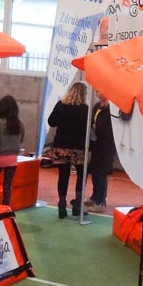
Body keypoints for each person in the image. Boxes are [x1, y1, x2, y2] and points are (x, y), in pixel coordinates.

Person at [47, 81, 88, 219]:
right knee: (81, 175)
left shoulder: (60, 105)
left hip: (62, 145)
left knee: (63, 176)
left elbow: (51, 122)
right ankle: (77, 206)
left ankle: (62, 205)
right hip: (79, 147)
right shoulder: (85, 109)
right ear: (84, 94)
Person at [0, 95, 25, 207]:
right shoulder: (20, 122)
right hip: (13, 158)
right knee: (7, 185)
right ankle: (6, 207)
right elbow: (21, 140)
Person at [86, 93, 114, 213]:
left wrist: (97, 130)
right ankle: (94, 196)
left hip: (106, 146)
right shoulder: (96, 106)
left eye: (102, 92)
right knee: (95, 172)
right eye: (98, 92)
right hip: (96, 144)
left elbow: (110, 129)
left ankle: (101, 201)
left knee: (101, 173)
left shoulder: (111, 109)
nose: (99, 94)